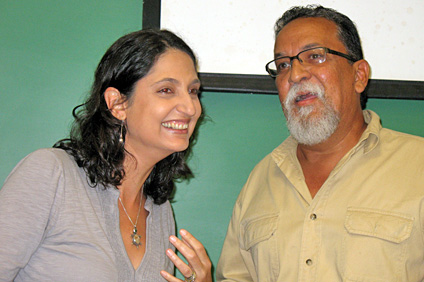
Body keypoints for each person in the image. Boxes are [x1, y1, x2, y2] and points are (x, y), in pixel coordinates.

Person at [217, 5, 424, 282]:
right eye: (283, 65)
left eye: (315, 56)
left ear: (359, 75)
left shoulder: (418, 166)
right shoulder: (259, 181)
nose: (295, 75)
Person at [0, 29, 212, 282]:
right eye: (166, 90)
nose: (190, 107)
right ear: (117, 104)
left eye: (193, 91)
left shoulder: (160, 210)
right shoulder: (50, 173)